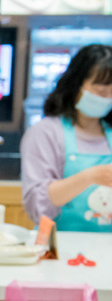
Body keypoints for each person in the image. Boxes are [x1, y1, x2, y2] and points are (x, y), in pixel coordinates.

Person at [21, 44, 112, 231]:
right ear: (75, 84)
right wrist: (90, 177)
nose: (108, 98)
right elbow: (37, 206)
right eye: (102, 92)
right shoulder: (45, 134)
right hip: (60, 249)